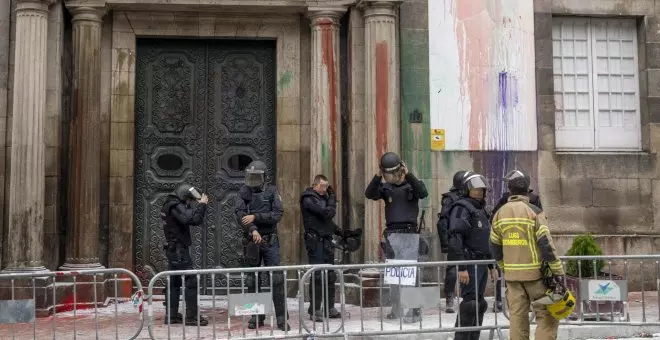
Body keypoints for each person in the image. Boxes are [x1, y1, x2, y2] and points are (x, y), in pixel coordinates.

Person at [489, 172, 564, 340]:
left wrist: (503, 266)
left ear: (510, 190)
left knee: (517, 318)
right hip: (536, 276)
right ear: (528, 191)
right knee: (547, 316)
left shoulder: (499, 213)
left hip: (512, 277)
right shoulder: (534, 212)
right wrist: (558, 271)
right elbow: (546, 244)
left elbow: (494, 245)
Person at [365, 152, 428, 323]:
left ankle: (415, 310)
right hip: (392, 234)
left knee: (411, 274)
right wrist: (378, 175)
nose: (391, 176)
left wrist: (409, 174)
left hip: (409, 233)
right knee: (394, 275)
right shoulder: (386, 188)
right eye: (387, 173)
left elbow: (423, 192)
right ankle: (396, 308)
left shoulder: (412, 185)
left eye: (393, 172)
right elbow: (369, 193)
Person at [234, 160, 289, 331]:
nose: (253, 180)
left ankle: (281, 318)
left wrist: (256, 217)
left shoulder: (272, 191)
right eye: (250, 176)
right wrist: (253, 229)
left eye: (256, 177)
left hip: (270, 240)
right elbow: (240, 214)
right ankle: (256, 316)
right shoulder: (243, 192)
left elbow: (277, 214)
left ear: (264, 177)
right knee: (252, 280)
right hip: (252, 240)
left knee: (276, 279)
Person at [447, 173, 498, 340]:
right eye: (475, 189)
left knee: (480, 303)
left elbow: (486, 239)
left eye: (481, 189)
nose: (478, 192)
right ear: (466, 189)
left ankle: (473, 337)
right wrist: (461, 267)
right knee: (470, 303)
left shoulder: (481, 210)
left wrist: (492, 266)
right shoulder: (461, 208)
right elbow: (455, 239)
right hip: (469, 263)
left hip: (482, 263)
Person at [490, 169, 544, 312]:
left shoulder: (533, 198)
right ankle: (499, 300)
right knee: (503, 275)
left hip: (527, 244)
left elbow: (541, 221)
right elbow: (494, 217)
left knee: (530, 279)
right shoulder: (504, 198)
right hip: (509, 242)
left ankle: (531, 303)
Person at [161, 183, 209, 326]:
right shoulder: (174, 206)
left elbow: (190, 217)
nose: (189, 203)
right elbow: (192, 219)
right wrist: (202, 205)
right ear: (183, 197)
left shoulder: (170, 204)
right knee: (191, 280)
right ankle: (191, 317)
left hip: (174, 249)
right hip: (178, 250)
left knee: (174, 282)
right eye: (189, 200)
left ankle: (172, 315)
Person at [300, 174, 343, 321]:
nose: (325, 189)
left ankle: (329, 307)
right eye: (322, 186)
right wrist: (332, 198)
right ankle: (315, 309)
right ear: (315, 184)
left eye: (326, 186)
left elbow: (327, 223)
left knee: (330, 275)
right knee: (317, 275)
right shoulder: (308, 199)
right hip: (315, 241)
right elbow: (326, 213)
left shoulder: (324, 199)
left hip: (326, 241)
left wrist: (341, 232)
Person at [437, 170, 473, 313]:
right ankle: (450, 298)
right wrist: (446, 243)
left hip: (468, 238)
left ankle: (468, 297)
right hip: (455, 238)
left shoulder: (470, 196)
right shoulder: (450, 199)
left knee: (470, 268)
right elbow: (443, 222)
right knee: (452, 270)